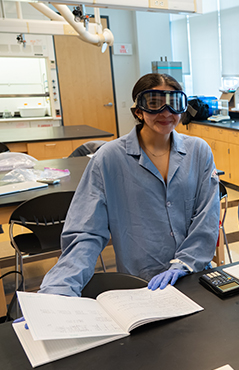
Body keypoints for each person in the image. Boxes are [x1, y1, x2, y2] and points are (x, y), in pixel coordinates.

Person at [39, 74, 220, 297]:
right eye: (154, 104)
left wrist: (185, 264)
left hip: (191, 275)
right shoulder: (109, 158)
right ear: (138, 111)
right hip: (140, 284)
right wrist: (58, 289)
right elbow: (86, 232)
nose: (166, 112)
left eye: (174, 104)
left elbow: (207, 218)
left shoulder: (199, 152)